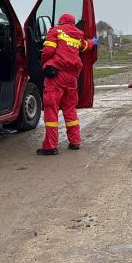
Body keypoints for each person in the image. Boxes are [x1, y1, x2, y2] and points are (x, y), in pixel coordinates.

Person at [37, 13, 97, 156]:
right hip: (72, 78)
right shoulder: (77, 35)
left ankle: (50, 146)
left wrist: (45, 64)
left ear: (61, 21)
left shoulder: (55, 31)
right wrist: (94, 42)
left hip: (56, 75)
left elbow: (48, 51)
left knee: (51, 110)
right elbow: (84, 46)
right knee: (70, 110)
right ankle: (75, 142)